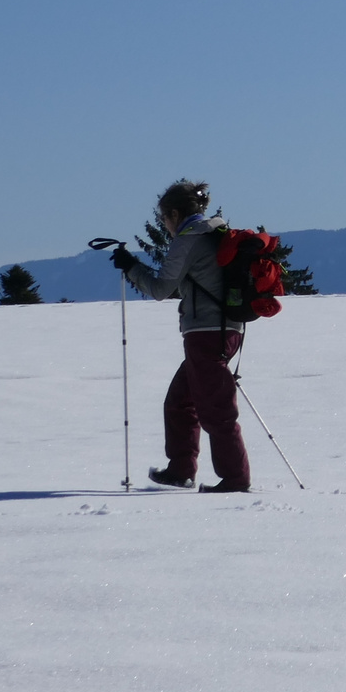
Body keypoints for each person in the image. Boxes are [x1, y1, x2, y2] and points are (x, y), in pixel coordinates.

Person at [108, 179, 252, 493]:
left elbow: (161, 289)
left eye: (164, 219)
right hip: (226, 329)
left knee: (215, 408)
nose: (165, 226)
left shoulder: (189, 239)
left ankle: (235, 479)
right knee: (180, 401)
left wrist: (131, 266)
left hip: (206, 331)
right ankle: (180, 470)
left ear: (175, 213)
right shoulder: (217, 230)